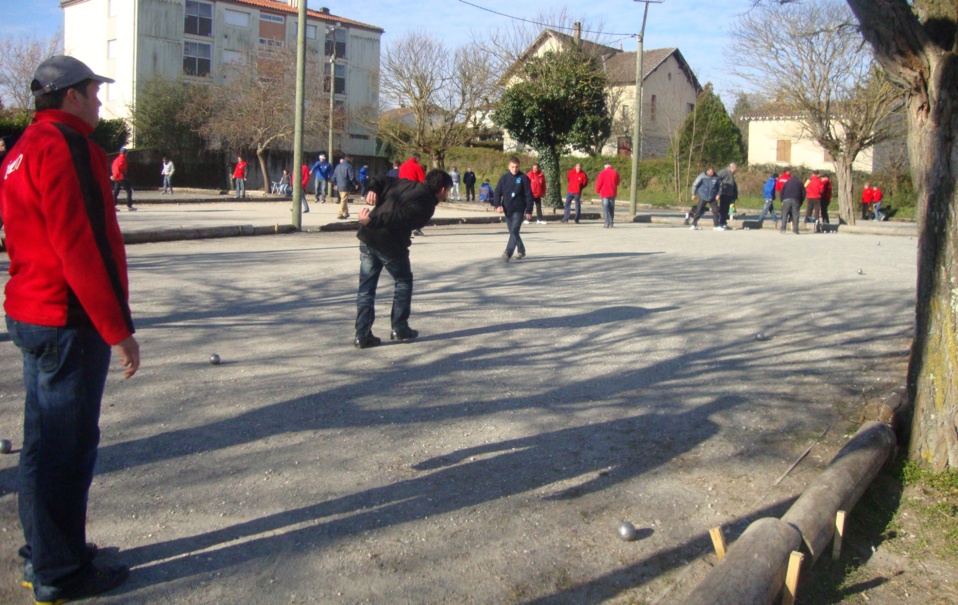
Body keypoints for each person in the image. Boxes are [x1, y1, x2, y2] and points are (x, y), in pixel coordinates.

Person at [0, 54, 139, 604]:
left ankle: (47, 549)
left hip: (31, 311)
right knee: (67, 446)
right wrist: (116, 327)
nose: (99, 100)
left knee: (42, 443)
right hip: (67, 318)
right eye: (93, 90)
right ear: (70, 95)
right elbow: (80, 243)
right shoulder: (68, 146)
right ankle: (60, 570)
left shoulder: (19, 151)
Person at [353, 168, 451, 348]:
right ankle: (399, 327)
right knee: (404, 281)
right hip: (388, 244)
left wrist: (372, 188)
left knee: (366, 289)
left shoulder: (405, 184)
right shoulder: (426, 204)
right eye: (447, 192)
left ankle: (362, 334)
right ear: (443, 190)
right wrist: (373, 191)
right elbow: (399, 218)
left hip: (368, 237)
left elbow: (380, 178)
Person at [494, 157, 534, 261]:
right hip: (507, 210)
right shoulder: (504, 178)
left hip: (519, 209)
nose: (515, 169)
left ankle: (508, 252)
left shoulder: (524, 178)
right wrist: (497, 205)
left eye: (517, 167)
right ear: (508, 167)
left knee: (514, 230)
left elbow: (529, 195)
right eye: (512, 167)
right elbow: (497, 192)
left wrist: (529, 210)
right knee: (512, 232)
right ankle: (521, 250)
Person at [688, 166, 720, 230]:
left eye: (713, 172)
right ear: (707, 171)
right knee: (698, 210)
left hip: (713, 197)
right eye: (711, 172)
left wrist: (718, 194)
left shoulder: (716, 177)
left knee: (715, 211)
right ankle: (694, 224)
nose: (712, 173)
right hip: (703, 196)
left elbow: (720, 187)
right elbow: (695, 185)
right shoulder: (702, 176)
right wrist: (693, 194)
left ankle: (716, 226)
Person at [595, 162, 620, 228]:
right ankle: (611, 222)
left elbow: (599, 182)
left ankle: (606, 222)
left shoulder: (602, 173)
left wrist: (597, 190)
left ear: (605, 167)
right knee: (611, 208)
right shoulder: (615, 173)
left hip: (604, 193)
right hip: (612, 192)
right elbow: (618, 182)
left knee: (605, 208)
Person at [332, 154, 358, 220]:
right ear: (349, 159)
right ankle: (340, 213)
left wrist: (335, 184)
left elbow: (334, 176)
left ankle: (346, 212)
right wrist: (355, 184)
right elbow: (351, 177)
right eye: (352, 159)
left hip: (339, 185)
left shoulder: (338, 166)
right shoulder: (349, 167)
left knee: (344, 199)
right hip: (345, 185)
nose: (352, 160)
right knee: (343, 200)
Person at [715, 162, 738, 229]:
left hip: (729, 194)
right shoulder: (724, 171)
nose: (735, 171)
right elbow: (717, 178)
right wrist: (721, 187)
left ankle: (724, 222)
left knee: (726, 209)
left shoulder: (731, 174)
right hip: (724, 193)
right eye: (735, 169)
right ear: (732, 168)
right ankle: (721, 223)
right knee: (723, 209)